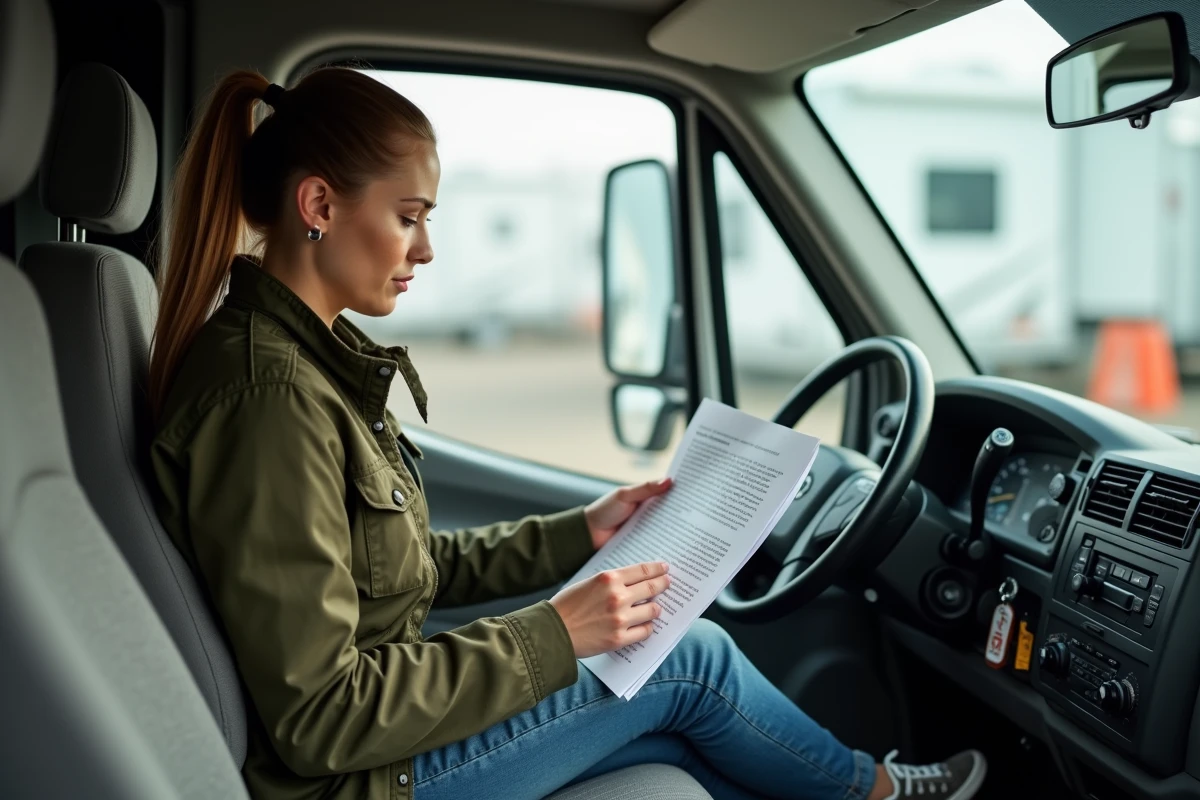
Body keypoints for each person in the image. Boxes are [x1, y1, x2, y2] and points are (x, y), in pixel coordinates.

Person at [147, 66, 987, 800]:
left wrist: (577, 535)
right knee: (694, 658)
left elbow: (394, 573)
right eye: (409, 216)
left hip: (375, 754)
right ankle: (874, 790)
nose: (426, 248)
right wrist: (557, 631)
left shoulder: (305, 368)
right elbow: (322, 716)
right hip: (356, 782)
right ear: (320, 204)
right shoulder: (268, 399)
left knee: (675, 727)